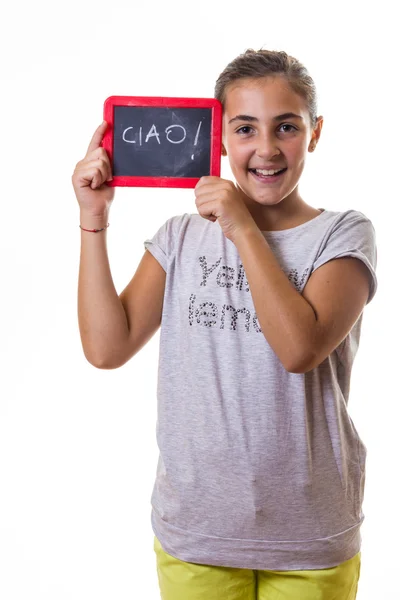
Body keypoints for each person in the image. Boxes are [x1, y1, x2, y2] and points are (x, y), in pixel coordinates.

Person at [72, 48, 377, 600]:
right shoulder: (181, 236)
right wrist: (93, 221)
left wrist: (240, 224)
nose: (265, 148)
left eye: (286, 126)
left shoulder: (344, 234)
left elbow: (299, 348)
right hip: (197, 530)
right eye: (244, 128)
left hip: (309, 536)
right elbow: (106, 347)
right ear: (219, 136)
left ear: (315, 132)